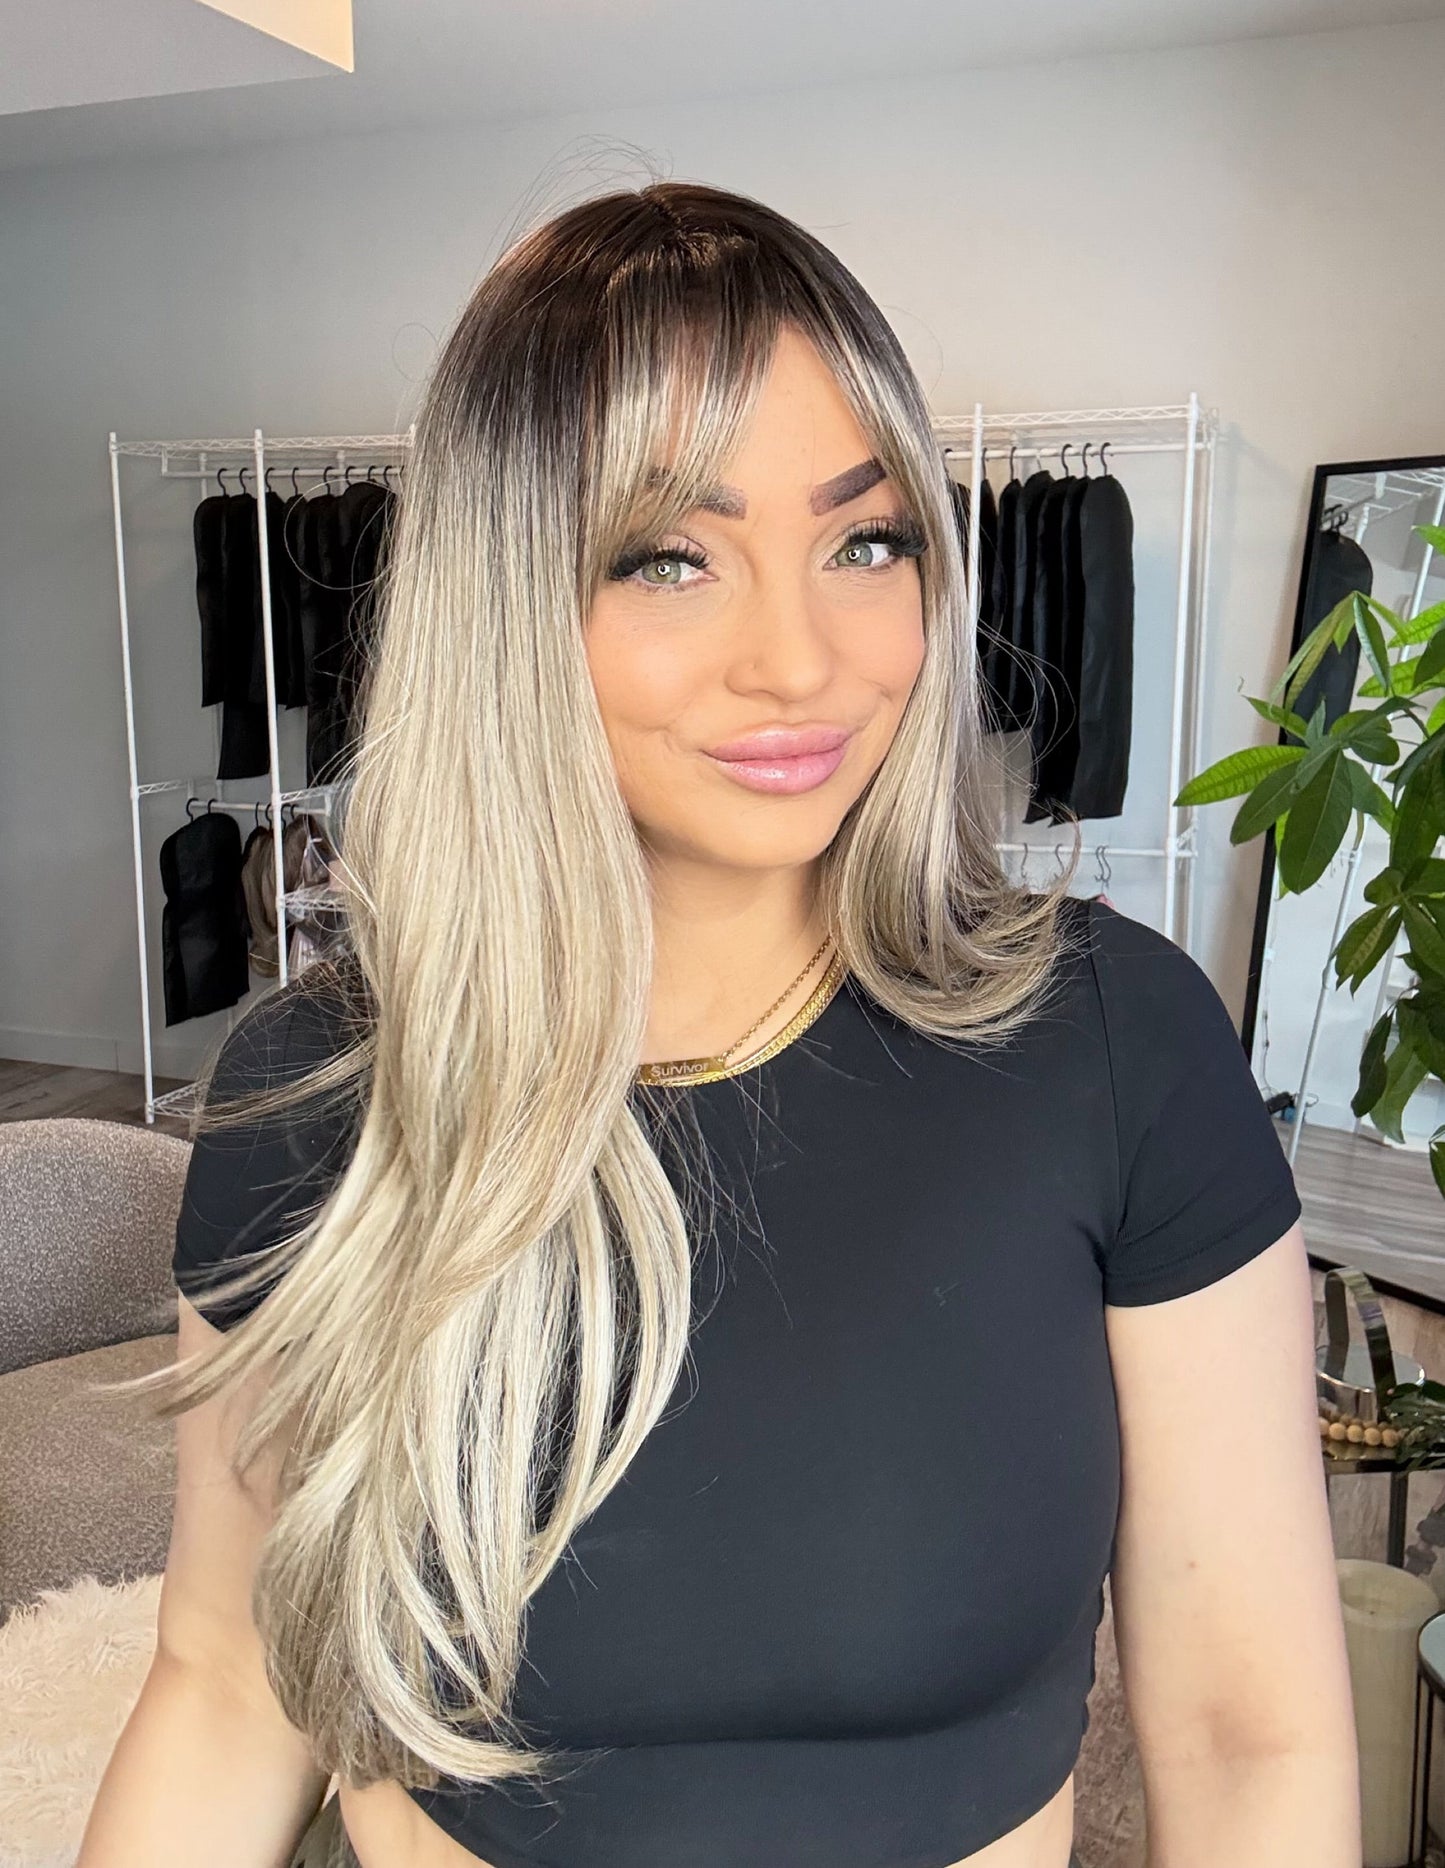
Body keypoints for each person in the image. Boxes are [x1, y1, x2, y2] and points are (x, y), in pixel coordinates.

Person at [78, 180, 1359, 1868]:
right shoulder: (319, 1097)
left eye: (865, 540)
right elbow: (228, 1677)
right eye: (669, 558)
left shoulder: (1111, 1047)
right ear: (508, 600)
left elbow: (1243, 1728)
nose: (800, 659)